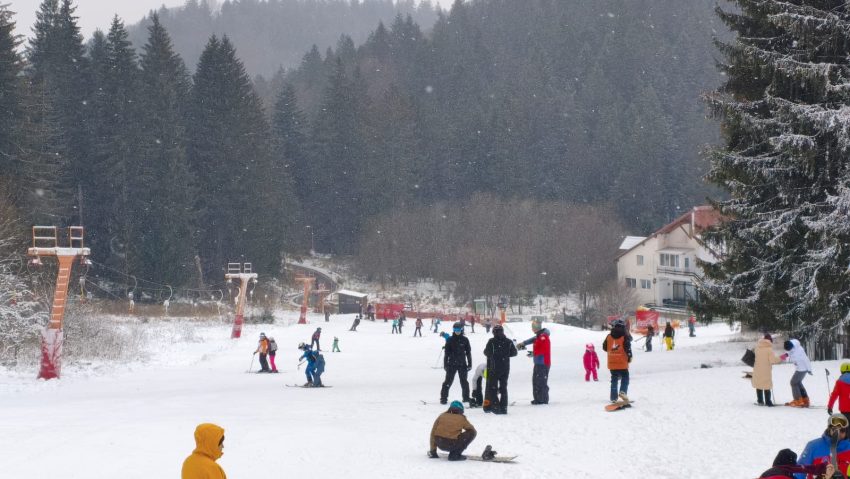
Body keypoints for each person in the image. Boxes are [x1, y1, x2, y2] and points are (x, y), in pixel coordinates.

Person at [797, 413, 850, 479]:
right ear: (829, 429)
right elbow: (800, 470)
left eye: (842, 430)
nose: (838, 433)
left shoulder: (848, 447)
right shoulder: (814, 446)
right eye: (835, 430)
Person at [482, 323, 518, 414]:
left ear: (494, 332)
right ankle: (504, 408)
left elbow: (486, 352)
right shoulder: (509, 341)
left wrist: (496, 356)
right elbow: (514, 353)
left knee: (493, 389)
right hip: (505, 368)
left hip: (494, 368)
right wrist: (505, 355)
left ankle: (496, 407)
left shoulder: (492, 341)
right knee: (503, 388)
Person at [517, 318, 551, 405]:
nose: (532, 329)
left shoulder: (543, 337)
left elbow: (544, 349)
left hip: (543, 363)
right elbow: (532, 340)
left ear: (536, 328)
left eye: (533, 328)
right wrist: (523, 343)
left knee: (541, 382)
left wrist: (534, 353)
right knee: (536, 381)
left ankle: (542, 399)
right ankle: (538, 398)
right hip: (538, 362)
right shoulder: (539, 335)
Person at [440, 322, 472, 405]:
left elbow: (468, 352)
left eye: (458, 330)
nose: (457, 331)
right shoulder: (450, 340)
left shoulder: (465, 340)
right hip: (451, 364)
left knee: (464, 382)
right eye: (455, 330)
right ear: (453, 330)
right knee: (448, 382)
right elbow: (446, 354)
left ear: (461, 330)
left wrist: (470, 364)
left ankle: (466, 398)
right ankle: (443, 398)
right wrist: (445, 364)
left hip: (462, 364)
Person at [602, 319, 632, 403]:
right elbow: (627, 348)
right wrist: (629, 356)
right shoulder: (624, 336)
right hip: (622, 362)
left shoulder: (608, 336)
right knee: (625, 377)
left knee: (614, 379)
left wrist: (612, 350)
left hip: (612, 363)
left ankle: (613, 397)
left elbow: (604, 348)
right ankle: (623, 391)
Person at [781, 339, 812, 407]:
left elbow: (806, 359)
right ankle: (805, 399)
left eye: (788, 349)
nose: (788, 350)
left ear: (791, 347)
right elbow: (789, 353)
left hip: (802, 369)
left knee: (793, 382)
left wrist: (809, 369)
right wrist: (782, 357)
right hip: (799, 368)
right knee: (798, 382)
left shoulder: (799, 351)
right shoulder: (792, 347)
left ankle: (798, 400)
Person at [753, 333, 781, 406]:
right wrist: (783, 357)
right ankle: (768, 402)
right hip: (766, 370)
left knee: (759, 384)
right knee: (767, 385)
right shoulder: (769, 349)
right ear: (770, 341)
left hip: (757, 369)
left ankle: (760, 401)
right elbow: (773, 360)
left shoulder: (757, 348)